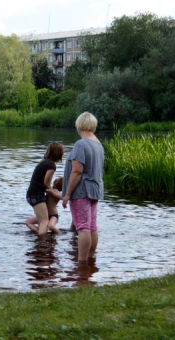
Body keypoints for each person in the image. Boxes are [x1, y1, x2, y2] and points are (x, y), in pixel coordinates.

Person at [62, 112, 104, 263]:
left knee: (83, 227)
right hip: (95, 189)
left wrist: (67, 194)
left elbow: (77, 171)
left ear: (79, 125)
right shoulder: (97, 143)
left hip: (82, 191)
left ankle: (81, 263)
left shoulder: (81, 144)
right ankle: (90, 261)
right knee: (92, 226)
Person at [25, 142, 64, 235]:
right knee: (44, 221)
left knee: (42, 221)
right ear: (58, 153)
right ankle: (42, 243)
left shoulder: (44, 162)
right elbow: (46, 183)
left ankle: (41, 235)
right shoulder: (51, 165)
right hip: (36, 194)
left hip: (31, 193)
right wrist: (51, 190)